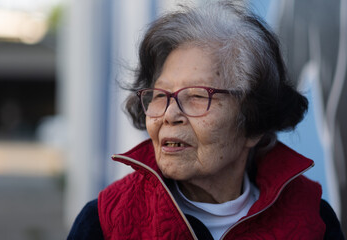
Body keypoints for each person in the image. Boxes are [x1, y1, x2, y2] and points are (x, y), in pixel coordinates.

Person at [67, 1, 345, 239]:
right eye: (161, 95)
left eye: (198, 96)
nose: (170, 115)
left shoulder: (313, 219)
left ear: (253, 124)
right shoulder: (103, 222)